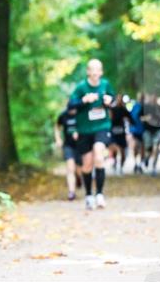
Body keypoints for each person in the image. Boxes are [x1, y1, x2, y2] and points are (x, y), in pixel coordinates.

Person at [68, 59, 115, 210]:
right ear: (88, 72)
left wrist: (110, 100)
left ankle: (100, 194)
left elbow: (113, 100)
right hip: (84, 129)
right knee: (87, 164)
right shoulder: (81, 87)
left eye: (98, 70)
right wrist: (84, 100)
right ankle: (89, 195)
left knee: (99, 154)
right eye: (92, 70)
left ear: (101, 72)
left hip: (102, 126)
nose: (95, 73)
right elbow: (70, 105)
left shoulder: (105, 85)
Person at [55, 106, 80, 200]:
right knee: (70, 168)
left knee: (79, 169)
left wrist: (79, 133)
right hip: (68, 145)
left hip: (80, 145)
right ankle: (71, 192)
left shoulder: (81, 113)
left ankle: (78, 178)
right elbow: (57, 127)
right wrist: (58, 139)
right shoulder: (63, 115)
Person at [108, 93, 131, 175]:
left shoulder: (124, 109)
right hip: (114, 133)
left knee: (123, 151)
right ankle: (115, 163)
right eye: (118, 98)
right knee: (115, 149)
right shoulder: (112, 109)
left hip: (121, 133)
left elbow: (130, 119)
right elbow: (109, 119)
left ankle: (120, 167)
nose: (119, 100)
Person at [129, 93, 145, 173]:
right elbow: (130, 117)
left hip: (143, 130)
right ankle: (136, 163)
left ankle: (141, 164)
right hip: (135, 130)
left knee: (142, 146)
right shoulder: (134, 106)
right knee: (136, 146)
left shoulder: (145, 107)